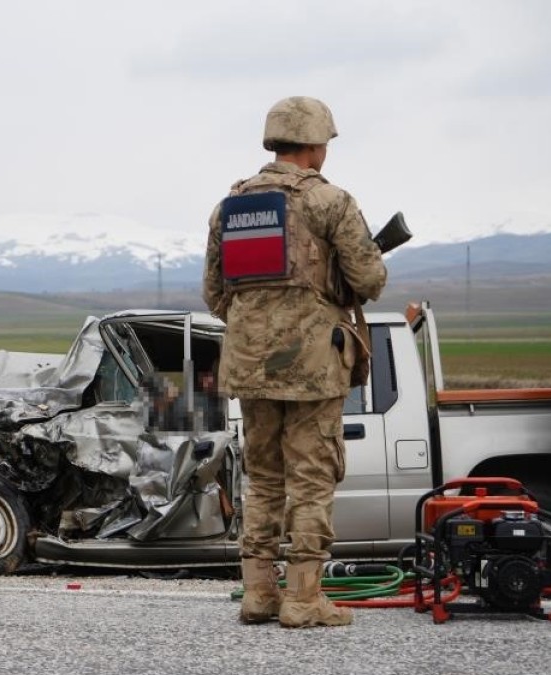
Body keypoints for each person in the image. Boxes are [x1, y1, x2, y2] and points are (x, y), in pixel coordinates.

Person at [202, 96, 387, 628]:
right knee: (310, 480)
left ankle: (259, 594)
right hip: (311, 367)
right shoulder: (330, 202)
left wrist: (261, 320)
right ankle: (304, 600)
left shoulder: (230, 207)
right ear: (314, 144)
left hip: (250, 365)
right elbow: (370, 280)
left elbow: (215, 294)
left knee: (262, 479)